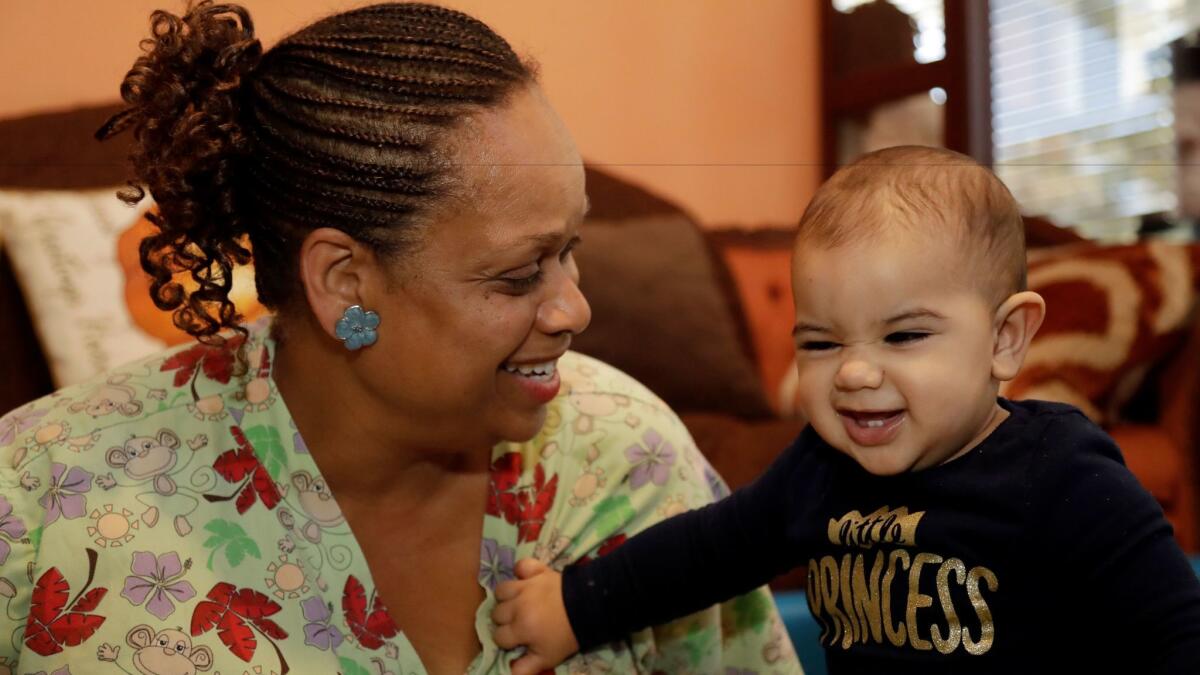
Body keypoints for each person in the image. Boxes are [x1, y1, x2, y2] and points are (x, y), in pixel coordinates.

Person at [0, 3, 802, 673]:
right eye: (520, 274)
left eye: (570, 250)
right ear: (345, 282)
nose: (573, 310)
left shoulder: (631, 464)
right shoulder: (41, 505)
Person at [491, 145, 1200, 674]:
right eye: (822, 342)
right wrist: (577, 606)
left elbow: (1173, 632)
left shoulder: (1062, 473)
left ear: (1005, 339)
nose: (855, 372)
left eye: (905, 335)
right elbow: (706, 550)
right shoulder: (822, 469)